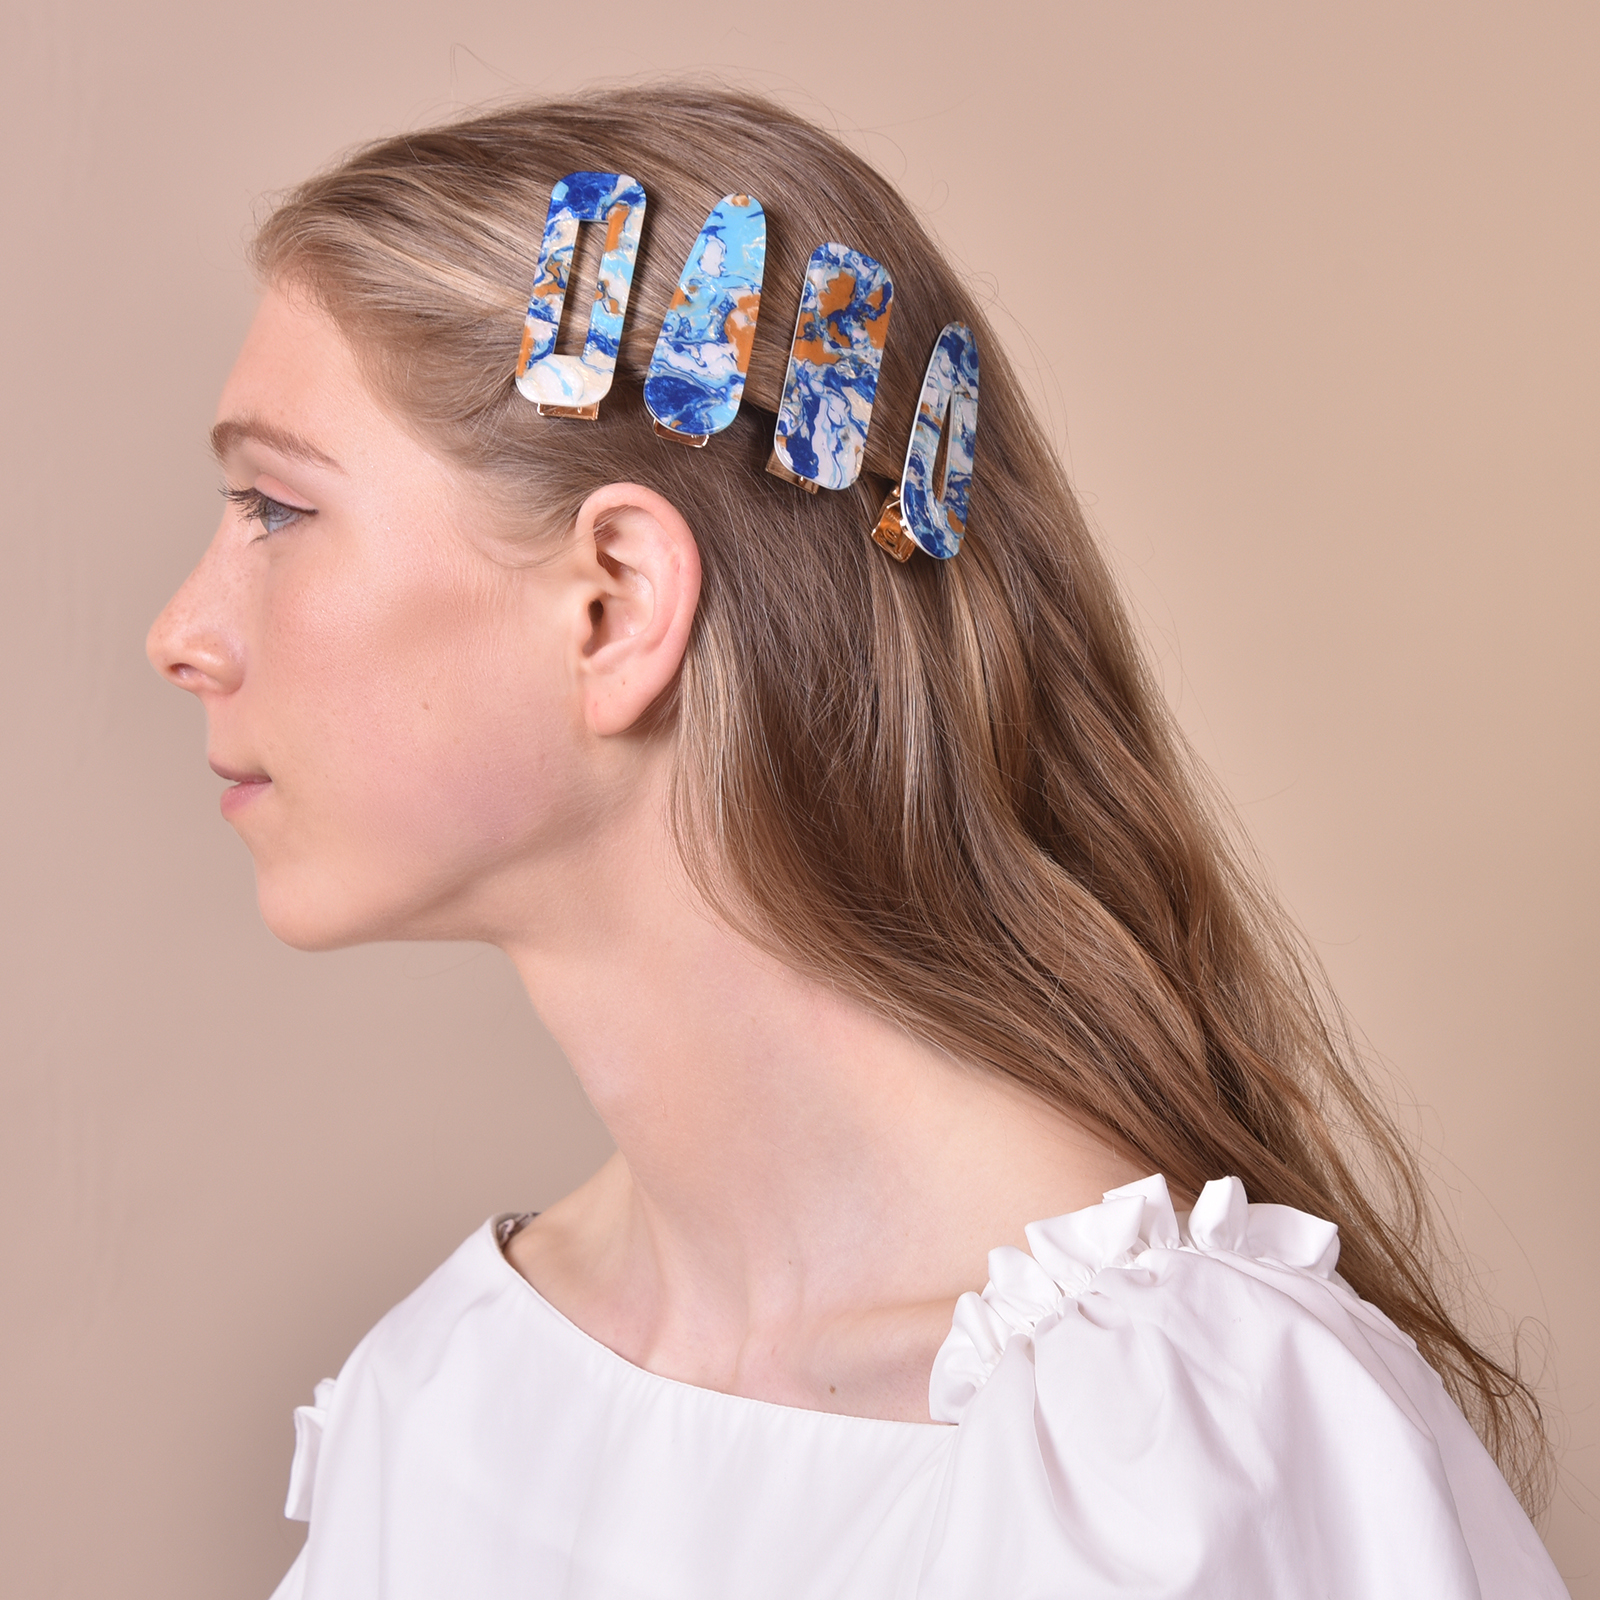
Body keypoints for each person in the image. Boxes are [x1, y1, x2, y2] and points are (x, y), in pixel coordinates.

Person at [145, 85, 1567, 1599]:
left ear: (614, 603)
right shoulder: (449, 1395)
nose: (180, 634)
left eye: (275, 508)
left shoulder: (1165, 1462)